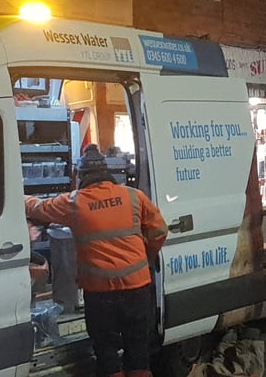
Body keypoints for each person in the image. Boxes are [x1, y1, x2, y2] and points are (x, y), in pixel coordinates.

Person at [25, 144, 168, 377]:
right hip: (137, 287)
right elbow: (160, 231)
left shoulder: (74, 202)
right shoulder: (134, 196)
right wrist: (145, 255)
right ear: (107, 172)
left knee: (107, 351)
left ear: (81, 176)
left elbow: (39, 208)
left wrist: (14, 196)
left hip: (100, 294)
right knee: (138, 350)